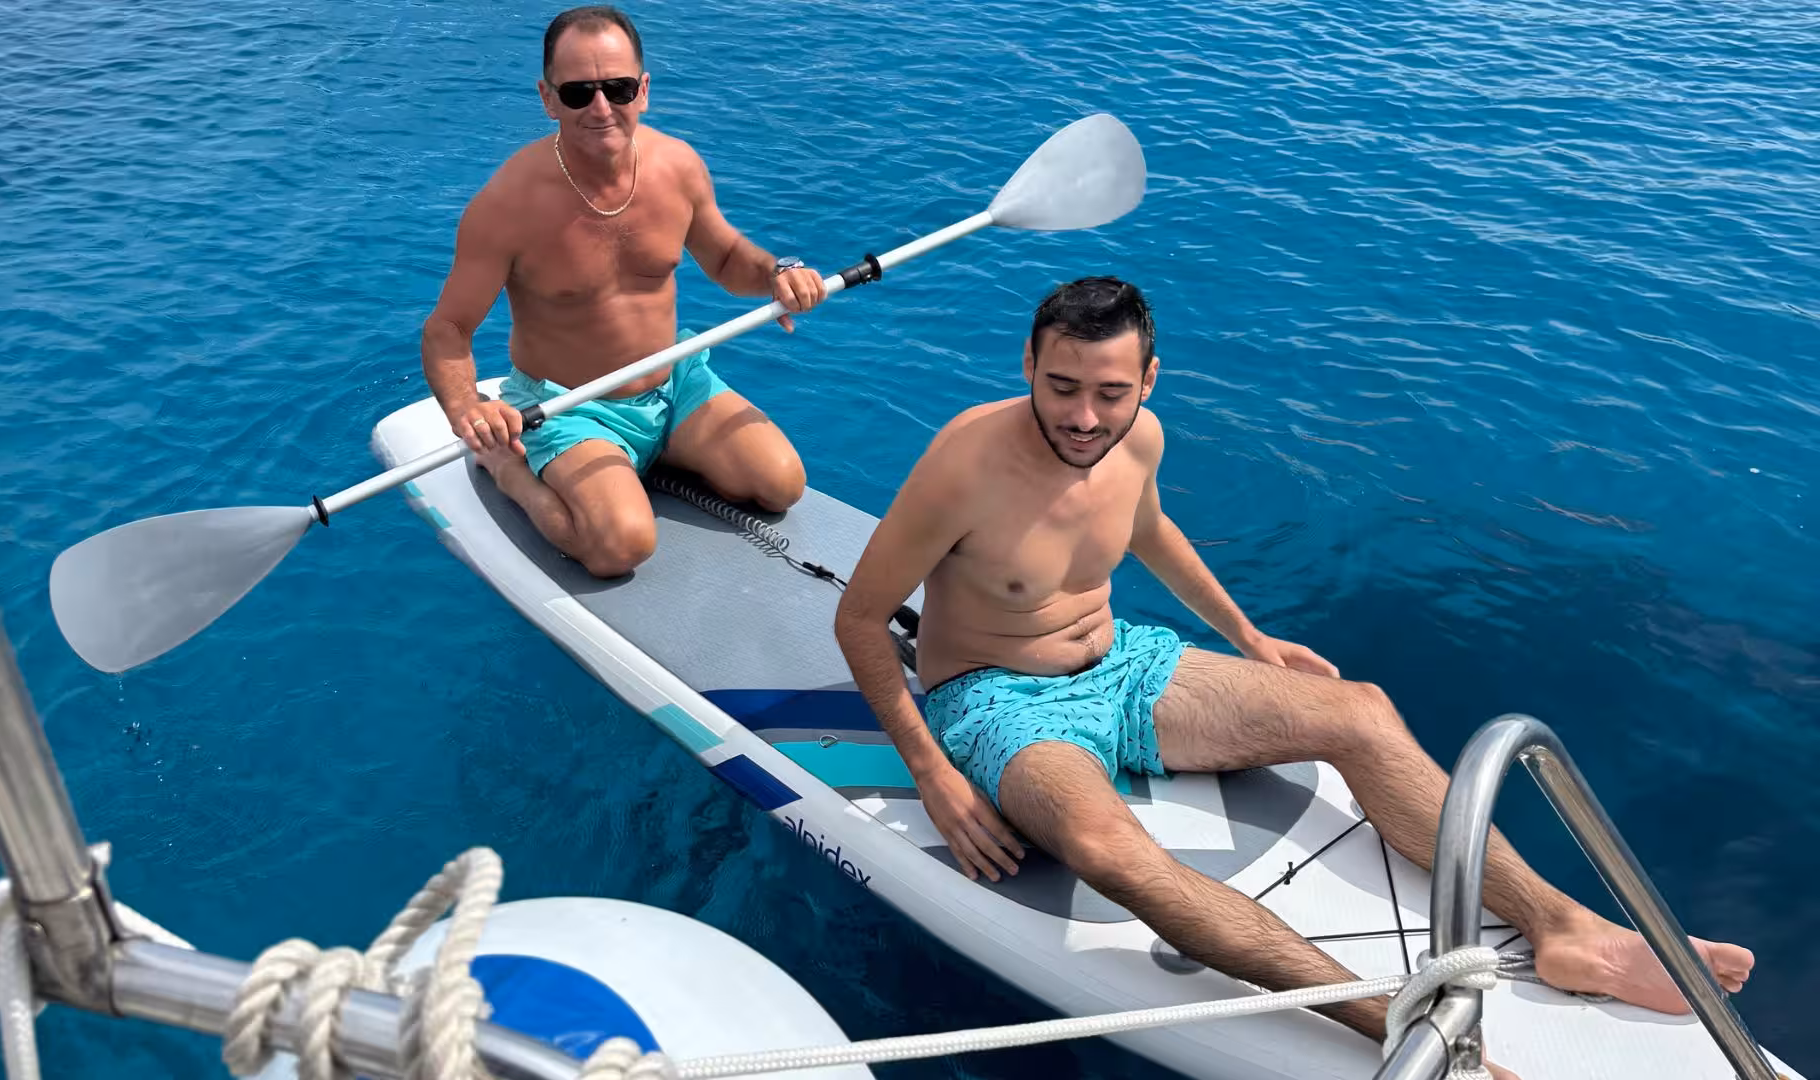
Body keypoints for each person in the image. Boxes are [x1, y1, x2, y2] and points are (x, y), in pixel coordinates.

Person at [831, 275, 1754, 1070]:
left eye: (1109, 393)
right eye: (1061, 385)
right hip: (1000, 700)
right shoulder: (966, 460)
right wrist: (933, 773)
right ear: (1027, 365)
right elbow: (862, 617)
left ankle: (1561, 925)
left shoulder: (1135, 437)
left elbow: (1148, 530)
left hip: (1121, 663)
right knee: (1111, 853)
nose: (1082, 416)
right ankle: (1393, 1018)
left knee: (1359, 711)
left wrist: (1249, 635)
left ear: (1147, 381)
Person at [421, 4, 826, 578]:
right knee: (620, 548)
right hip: (567, 406)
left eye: (617, 87)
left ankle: (649, 455)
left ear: (643, 90)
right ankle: (508, 471)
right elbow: (448, 329)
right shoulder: (508, 205)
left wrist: (775, 273)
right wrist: (467, 409)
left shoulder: (677, 166)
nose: (601, 108)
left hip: (673, 380)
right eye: (578, 92)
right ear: (547, 97)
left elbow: (729, 258)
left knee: (781, 484)